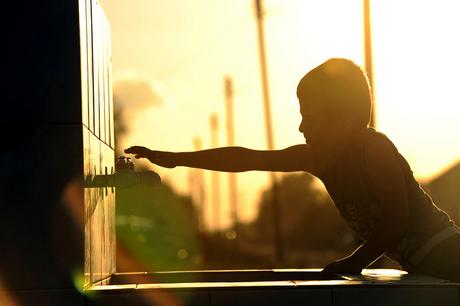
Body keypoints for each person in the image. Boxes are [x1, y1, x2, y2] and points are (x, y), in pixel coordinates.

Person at [125, 58, 460, 282]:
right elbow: (248, 159)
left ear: (346, 119)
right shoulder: (320, 159)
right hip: (422, 265)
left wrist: (353, 261)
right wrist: (175, 158)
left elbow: (397, 220)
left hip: (447, 254)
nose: (301, 127)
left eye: (310, 117)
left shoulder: (373, 149)